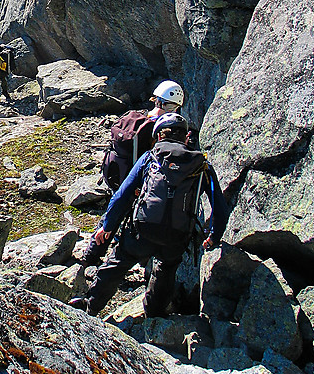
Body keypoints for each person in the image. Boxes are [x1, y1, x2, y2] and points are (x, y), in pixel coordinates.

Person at [70, 113, 228, 318]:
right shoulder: (201, 164)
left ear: (159, 136)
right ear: (185, 136)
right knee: (167, 269)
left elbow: (122, 195)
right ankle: (154, 315)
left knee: (118, 262)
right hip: (177, 236)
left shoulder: (150, 157)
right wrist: (214, 236)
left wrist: (107, 225)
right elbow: (220, 207)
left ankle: (91, 307)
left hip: (142, 230)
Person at [82, 80, 186, 266]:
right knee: (122, 216)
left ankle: (91, 256)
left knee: (114, 212)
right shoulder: (158, 128)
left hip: (119, 174)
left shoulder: (138, 118)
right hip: (138, 181)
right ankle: (106, 258)